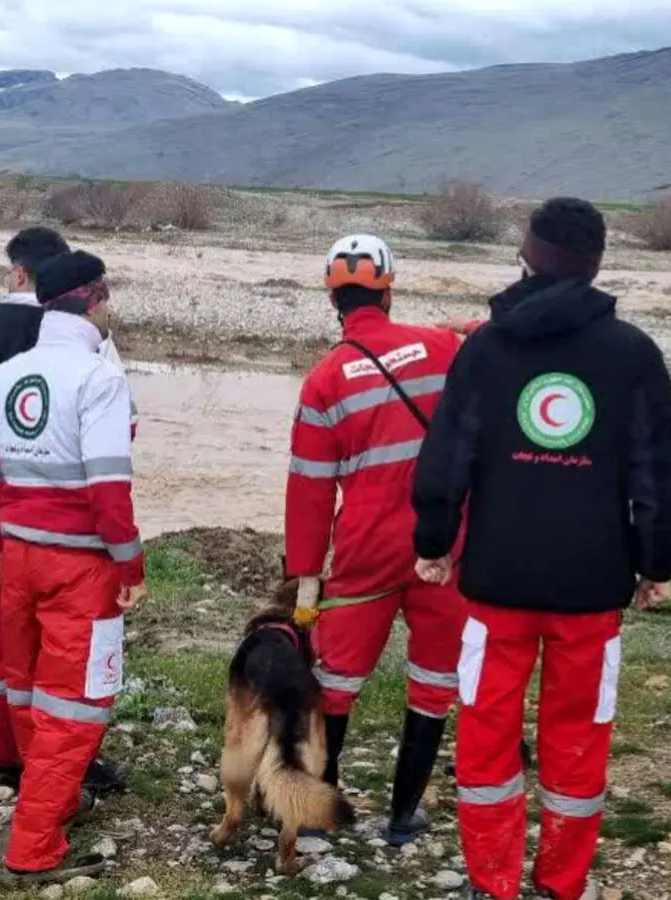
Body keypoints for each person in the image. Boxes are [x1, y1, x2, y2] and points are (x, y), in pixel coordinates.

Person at [409, 197, 671, 900]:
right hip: (592, 589)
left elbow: (447, 459)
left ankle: (492, 882)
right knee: (578, 739)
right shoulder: (632, 354)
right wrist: (657, 563)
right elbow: (658, 473)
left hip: (497, 584)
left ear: (527, 258)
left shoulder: (486, 348)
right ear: (596, 265)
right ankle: (561, 883)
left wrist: (434, 543)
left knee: (486, 738)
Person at [0, 249, 148, 885]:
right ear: (96, 296)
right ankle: (33, 849)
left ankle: (53, 803)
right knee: (76, 704)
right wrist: (130, 564)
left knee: (27, 688)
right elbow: (108, 488)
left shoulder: (11, 370)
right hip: (78, 568)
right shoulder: (100, 377)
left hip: (21, 558)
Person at [0, 226, 131, 794]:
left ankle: (7, 758)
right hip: (64, 522)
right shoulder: (93, 343)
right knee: (68, 649)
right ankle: (64, 768)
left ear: (17, 271)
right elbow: (116, 437)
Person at [284, 234, 469, 845]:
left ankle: (314, 818)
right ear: (390, 291)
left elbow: (309, 491)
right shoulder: (442, 347)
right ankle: (403, 815)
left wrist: (307, 577)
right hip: (443, 544)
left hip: (365, 550)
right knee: (435, 677)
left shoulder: (324, 381)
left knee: (335, 683)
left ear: (333, 299)